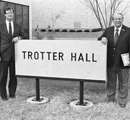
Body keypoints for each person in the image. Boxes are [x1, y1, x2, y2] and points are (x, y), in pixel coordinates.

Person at [98, 13, 130, 108]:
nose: (117, 21)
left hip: (124, 62)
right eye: (116, 19)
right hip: (111, 62)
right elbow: (99, 39)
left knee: (123, 83)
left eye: (119, 19)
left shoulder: (128, 31)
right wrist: (102, 38)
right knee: (111, 83)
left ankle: (122, 102)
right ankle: (110, 101)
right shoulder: (108, 31)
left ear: (122, 19)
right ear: (113, 20)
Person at [0, 7, 24, 101]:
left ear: (13, 14)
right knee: (3, 76)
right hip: (3, 54)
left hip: (14, 54)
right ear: (5, 15)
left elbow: (23, 35)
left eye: (11, 13)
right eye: (8, 13)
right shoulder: (0, 26)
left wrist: (18, 37)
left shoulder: (18, 26)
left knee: (13, 76)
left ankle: (12, 93)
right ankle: (3, 95)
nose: (10, 14)